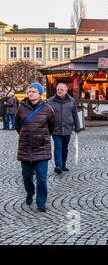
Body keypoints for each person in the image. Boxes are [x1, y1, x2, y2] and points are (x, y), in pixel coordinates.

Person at [15, 82, 56, 212]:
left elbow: (52, 127)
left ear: (40, 94)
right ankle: (29, 192)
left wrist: (42, 137)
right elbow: (17, 125)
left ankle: (41, 201)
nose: (31, 93)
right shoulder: (21, 108)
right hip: (25, 147)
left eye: (33, 91)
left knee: (41, 177)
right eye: (29, 91)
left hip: (41, 148)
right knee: (26, 176)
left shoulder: (47, 109)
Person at [47, 83, 81, 174]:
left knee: (65, 148)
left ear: (66, 91)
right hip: (56, 129)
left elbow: (75, 115)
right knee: (58, 146)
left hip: (67, 128)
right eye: (57, 89)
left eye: (61, 90)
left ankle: (64, 164)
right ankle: (58, 165)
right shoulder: (51, 101)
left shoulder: (71, 101)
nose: (59, 91)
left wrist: (77, 127)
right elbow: (47, 115)